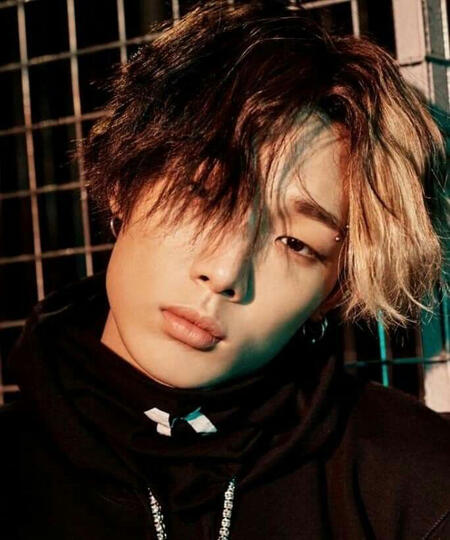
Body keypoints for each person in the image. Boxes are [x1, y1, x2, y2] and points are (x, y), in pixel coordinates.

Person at [1, 1, 450, 538]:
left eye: (296, 243)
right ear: (125, 182)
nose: (224, 272)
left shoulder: (417, 483)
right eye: (205, 196)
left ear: (334, 289)